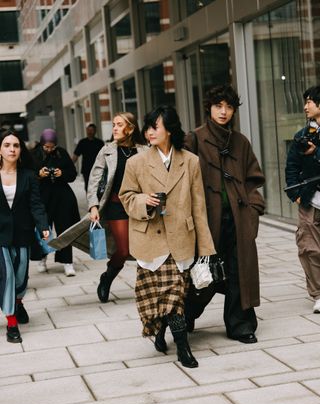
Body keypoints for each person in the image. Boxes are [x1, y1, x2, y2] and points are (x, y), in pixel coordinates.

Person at [119, 105, 215, 368]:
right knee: (167, 296)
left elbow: (199, 207)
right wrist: (144, 201)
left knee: (175, 294)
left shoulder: (191, 161)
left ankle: (177, 344)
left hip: (181, 238)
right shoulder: (135, 162)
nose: (149, 132)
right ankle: (175, 342)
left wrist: (206, 249)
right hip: (151, 239)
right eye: (147, 127)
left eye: (155, 127)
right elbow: (126, 197)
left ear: (170, 130)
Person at [184, 84, 265, 343]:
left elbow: (253, 179)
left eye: (229, 107)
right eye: (219, 106)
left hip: (239, 219)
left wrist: (254, 209)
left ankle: (240, 325)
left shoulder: (240, 142)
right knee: (203, 275)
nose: (224, 111)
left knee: (239, 271)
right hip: (207, 221)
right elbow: (181, 179)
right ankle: (185, 314)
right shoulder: (194, 138)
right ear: (209, 107)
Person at [88, 112, 147, 302]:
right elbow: (94, 179)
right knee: (123, 250)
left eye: (119, 125)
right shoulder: (107, 151)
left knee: (144, 249)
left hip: (139, 205)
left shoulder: (144, 151)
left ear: (130, 128)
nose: (114, 128)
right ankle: (107, 278)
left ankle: (147, 287)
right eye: (114, 124)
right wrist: (93, 206)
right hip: (115, 205)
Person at [0, 129, 49, 343]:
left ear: (21, 150)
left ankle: (18, 302)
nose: (12, 149)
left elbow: (36, 204)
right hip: (0, 234)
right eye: (7, 145)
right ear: (0, 149)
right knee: (7, 275)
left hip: (23, 232)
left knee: (21, 277)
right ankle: (11, 322)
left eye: (16, 145)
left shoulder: (29, 175)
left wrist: (43, 225)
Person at [285, 85, 320, 314]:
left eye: (309, 101)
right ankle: (319, 294)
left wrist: (316, 153)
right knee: (309, 248)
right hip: (310, 201)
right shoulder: (301, 136)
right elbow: (291, 167)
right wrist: (295, 195)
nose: (305, 106)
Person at [30, 129, 80, 276]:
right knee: (44, 230)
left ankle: (67, 262)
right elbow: (26, 175)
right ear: (41, 144)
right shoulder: (34, 155)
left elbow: (72, 174)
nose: (50, 150)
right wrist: (39, 175)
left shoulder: (62, 153)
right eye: (47, 147)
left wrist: (61, 174)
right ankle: (42, 258)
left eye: (52, 147)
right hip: (42, 197)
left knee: (64, 229)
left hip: (61, 197)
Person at [73, 124, 105, 192]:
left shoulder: (99, 143)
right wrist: (70, 165)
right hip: (86, 169)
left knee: (98, 186)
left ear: (95, 131)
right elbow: (76, 155)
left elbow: (104, 156)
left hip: (98, 168)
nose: (89, 132)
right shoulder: (82, 142)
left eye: (91, 130)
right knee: (88, 187)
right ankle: (90, 201)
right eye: (88, 130)